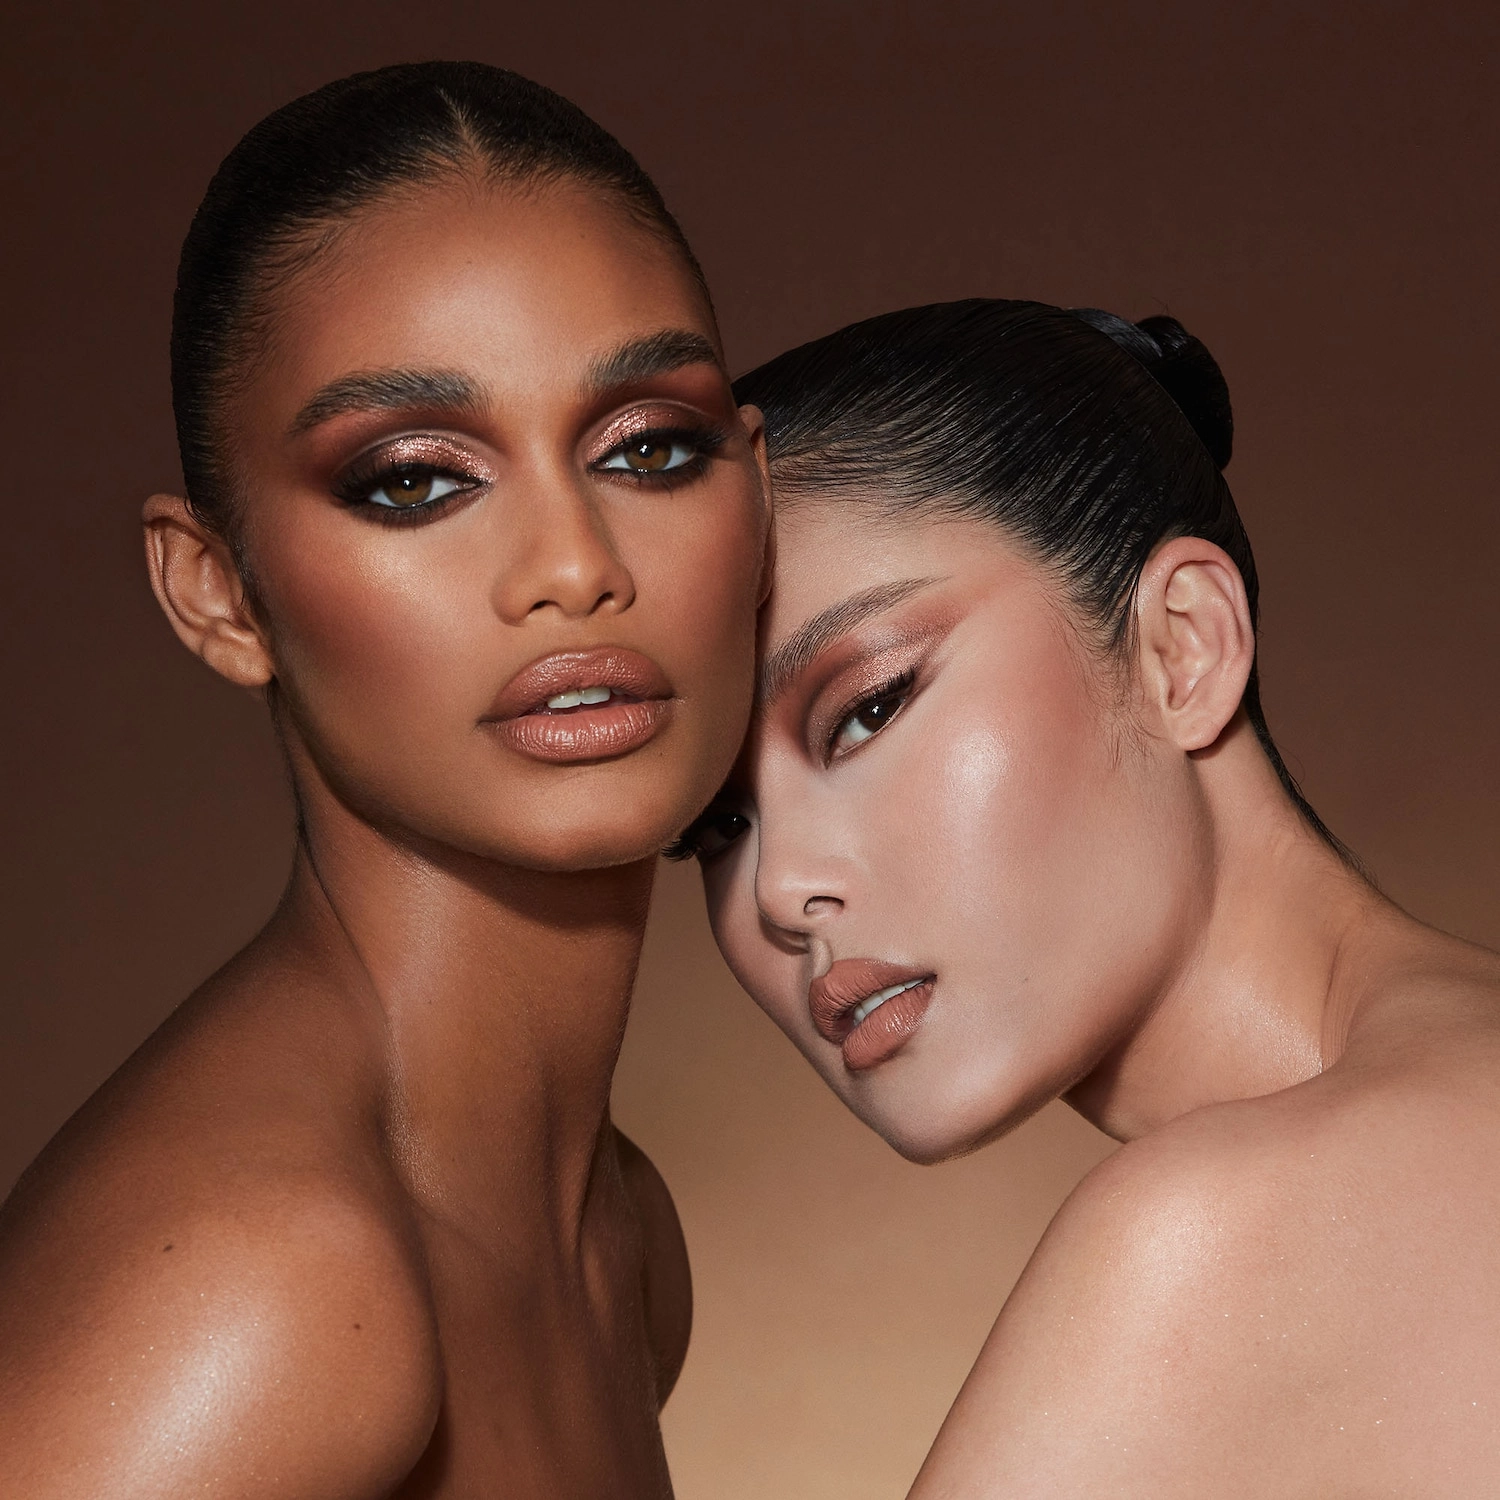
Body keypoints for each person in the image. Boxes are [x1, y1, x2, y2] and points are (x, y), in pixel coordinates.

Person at [0, 62, 769, 1497]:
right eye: (415, 479)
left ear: (759, 488)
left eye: (650, 448)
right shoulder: (265, 1286)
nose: (575, 566)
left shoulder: (621, 1240)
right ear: (217, 592)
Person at [680, 298, 1500, 1493]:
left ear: (1184, 645)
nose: (780, 886)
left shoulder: (1212, 1238)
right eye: (715, 825)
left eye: (866, 709)